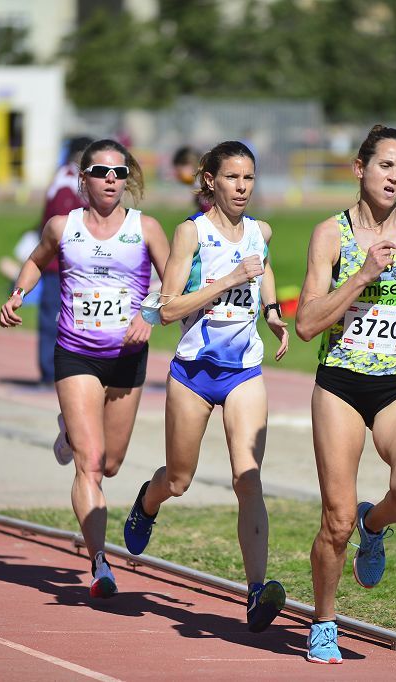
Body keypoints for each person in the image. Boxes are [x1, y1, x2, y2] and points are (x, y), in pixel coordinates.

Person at [295, 125, 396, 664]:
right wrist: (362, 274)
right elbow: (306, 324)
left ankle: (376, 523)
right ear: (360, 168)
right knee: (334, 520)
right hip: (340, 383)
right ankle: (324, 620)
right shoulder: (331, 235)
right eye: (386, 166)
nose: (395, 177)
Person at [122, 140, 290, 634]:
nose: (243, 187)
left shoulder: (261, 231)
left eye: (250, 178)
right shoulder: (190, 234)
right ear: (211, 181)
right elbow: (168, 308)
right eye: (233, 178)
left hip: (244, 371)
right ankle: (147, 503)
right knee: (179, 479)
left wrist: (273, 312)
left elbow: (264, 269)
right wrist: (228, 279)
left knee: (248, 477)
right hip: (193, 371)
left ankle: (257, 591)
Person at [0, 139, 169, 598]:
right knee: (89, 465)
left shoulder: (146, 229)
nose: (111, 179)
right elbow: (35, 262)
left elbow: (176, 281)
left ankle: (70, 431)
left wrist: (147, 315)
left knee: (111, 464)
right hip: (75, 353)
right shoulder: (63, 226)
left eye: (119, 171)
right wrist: (18, 295)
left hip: (127, 358)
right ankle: (100, 564)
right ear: (84, 179)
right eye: (100, 171)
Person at [37, 136, 94, 386]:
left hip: (75, 265)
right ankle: (50, 372)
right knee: (54, 317)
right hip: (59, 265)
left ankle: (75, 369)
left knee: (79, 319)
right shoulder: (66, 183)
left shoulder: (78, 180)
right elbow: (64, 228)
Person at [172, 145, 212, 213]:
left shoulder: (206, 188)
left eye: (178, 171)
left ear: (190, 163)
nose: (177, 176)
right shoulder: (200, 187)